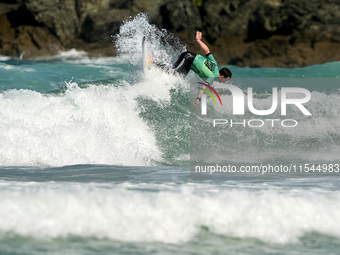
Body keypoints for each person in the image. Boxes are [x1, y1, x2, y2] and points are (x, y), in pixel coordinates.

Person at [148, 31, 232, 109]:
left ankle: (157, 73)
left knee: (177, 78)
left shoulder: (214, 64)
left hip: (189, 59)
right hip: (188, 58)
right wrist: (198, 98)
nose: (225, 82)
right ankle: (152, 61)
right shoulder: (212, 76)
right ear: (223, 76)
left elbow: (207, 50)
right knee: (173, 74)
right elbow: (204, 86)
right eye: (226, 79)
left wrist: (198, 40)